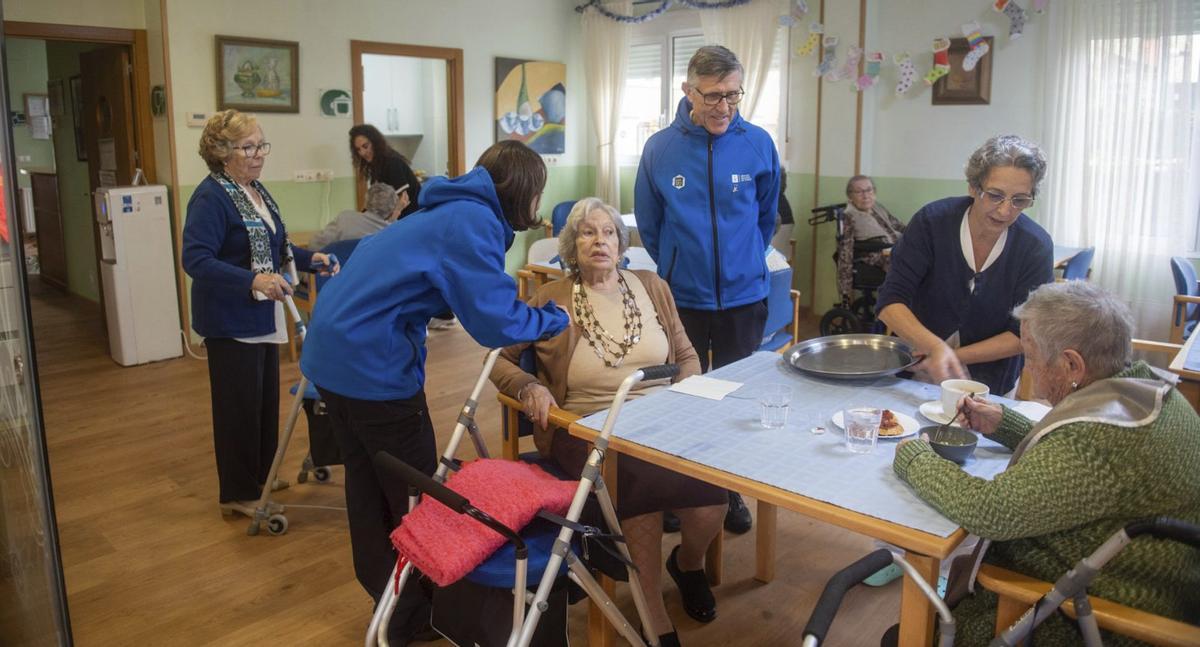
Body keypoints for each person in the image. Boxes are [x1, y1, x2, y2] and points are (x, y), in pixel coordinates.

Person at [301, 140, 570, 645]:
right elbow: (494, 323)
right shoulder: (474, 222)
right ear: (522, 189)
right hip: (369, 367)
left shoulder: (445, 205)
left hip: (329, 355)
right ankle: (410, 615)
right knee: (415, 495)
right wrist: (554, 319)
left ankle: (387, 603)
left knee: (365, 485)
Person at [892, 281, 1200, 645]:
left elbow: (990, 511)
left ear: (1072, 364)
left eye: (1032, 356)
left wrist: (915, 458)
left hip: (1084, 618)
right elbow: (1078, 455)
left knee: (904, 635)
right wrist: (1003, 423)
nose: (1029, 368)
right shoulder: (1150, 392)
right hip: (1146, 583)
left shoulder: (1095, 445)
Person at [491, 198, 726, 647]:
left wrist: (689, 395)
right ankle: (652, 612)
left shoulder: (652, 286)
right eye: (587, 232)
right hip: (588, 427)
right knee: (638, 491)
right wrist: (530, 387)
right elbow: (499, 362)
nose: (600, 240)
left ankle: (689, 563)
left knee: (714, 495)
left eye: (609, 232)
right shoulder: (549, 299)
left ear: (622, 244)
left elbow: (688, 356)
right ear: (570, 246)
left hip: (662, 418)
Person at [634, 45, 781, 535]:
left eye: (734, 96)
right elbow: (650, 226)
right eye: (714, 95)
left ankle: (729, 491)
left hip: (744, 299)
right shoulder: (660, 149)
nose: (724, 107)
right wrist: (679, 266)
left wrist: (744, 261)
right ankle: (682, 489)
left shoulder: (758, 143)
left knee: (737, 400)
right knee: (687, 398)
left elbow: (766, 217)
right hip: (685, 300)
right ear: (688, 91)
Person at [181, 109, 337, 517]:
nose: (259, 154)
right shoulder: (211, 196)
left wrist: (310, 258)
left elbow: (274, 246)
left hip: (261, 316)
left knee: (263, 404)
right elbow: (196, 259)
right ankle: (238, 492)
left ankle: (260, 476)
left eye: (261, 144)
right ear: (221, 151)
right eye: (248, 147)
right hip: (230, 320)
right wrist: (254, 281)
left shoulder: (255, 190)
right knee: (237, 410)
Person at [876, 135, 1054, 396]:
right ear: (973, 187)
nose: (1005, 211)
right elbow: (891, 301)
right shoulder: (932, 223)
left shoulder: (1035, 246)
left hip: (990, 383)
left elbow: (1023, 332)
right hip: (913, 370)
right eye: (995, 195)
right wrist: (935, 348)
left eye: (1019, 200)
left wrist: (952, 357)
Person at [837, 175, 904, 299]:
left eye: (869, 190)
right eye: (859, 192)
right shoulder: (849, 216)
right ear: (850, 196)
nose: (866, 195)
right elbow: (845, 252)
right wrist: (845, 292)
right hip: (874, 256)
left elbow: (899, 226)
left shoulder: (878, 208)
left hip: (895, 250)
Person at [349, 123, 421, 220]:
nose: (362, 153)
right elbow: (378, 201)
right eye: (358, 149)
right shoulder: (376, 166)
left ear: (375, 142)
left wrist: (386, 222)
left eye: (365, 146)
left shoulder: (392, 162)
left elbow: (403, 200)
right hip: (400, 218)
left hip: (410, 218)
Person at [307, 182, 404, 249]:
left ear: (366, 202)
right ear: (392, 209)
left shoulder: (345, 219)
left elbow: (314, 246)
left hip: (340, 275)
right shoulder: (395, 232)